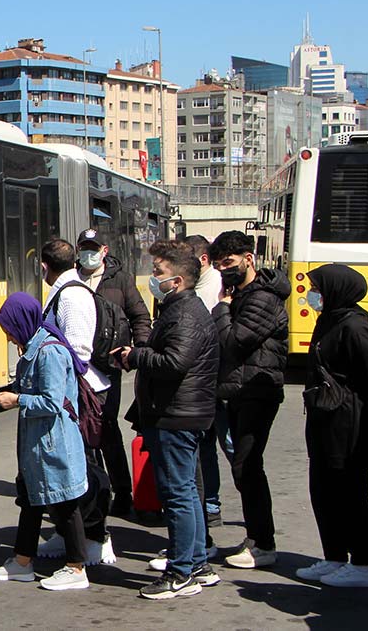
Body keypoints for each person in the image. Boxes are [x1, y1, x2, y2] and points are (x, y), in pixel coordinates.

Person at [115, 240, 220, 600]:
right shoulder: (179, 309)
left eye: (158, 271)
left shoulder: (185, 313)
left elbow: (174, 362)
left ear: (177, 281)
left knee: (177, 494)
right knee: (185, 491)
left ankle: (180, 572)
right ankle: (196, 563)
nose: (152, 277)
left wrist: (136, 356)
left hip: (176, 415)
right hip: (178, 413)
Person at [0, 292, 91, 591]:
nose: (8, 337)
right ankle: (22, 562)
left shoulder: (49, 352)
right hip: (38, 444)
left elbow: (52, 401)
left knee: (65, 503)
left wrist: (17, 399)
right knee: (31, 500)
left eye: (9, 330)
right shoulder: (34, 348)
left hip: (53, 442)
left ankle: (76, 567)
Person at [295, 264, 368, 588]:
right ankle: (333, 556)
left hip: (348, 424)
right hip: (324, 419)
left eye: (317, 288)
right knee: (323, 491)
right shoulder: (328, 320)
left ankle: (361, 564)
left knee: (351, 495)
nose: (312, 295)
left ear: (336, 290)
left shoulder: (355, 327)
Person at [208, 231, 289, 569]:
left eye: (228, 262)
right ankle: (257, 538)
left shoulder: (262, 298)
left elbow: (235, 342)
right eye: (218, 265)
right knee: (244, 466)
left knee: (247, 465)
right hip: (239, 390)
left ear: (248, 259)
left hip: (257, 391)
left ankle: (263, 543)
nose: (224, 270)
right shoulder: (241, 294)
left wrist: (222, 309)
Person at [38, 238, 115, 563]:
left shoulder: (71, 296)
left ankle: (95, 536)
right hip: (73, 394)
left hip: (81, 395)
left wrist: (59, 389)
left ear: (44, 266)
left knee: (86, 468)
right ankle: (67, 532)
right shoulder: (66, 291)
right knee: (67, 469)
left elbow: (78, 352)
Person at [75, 228, 151, 516]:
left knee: (106, 427)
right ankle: (93, 490)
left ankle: (121, 491)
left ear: (104, 251)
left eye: (93, 248)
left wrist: (138, 351)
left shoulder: (119, 280)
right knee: (83, 430)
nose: (88, 254)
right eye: (84, 248)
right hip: (80, 367)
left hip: (109, 366)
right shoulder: (72, 279)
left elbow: (140, 317)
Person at [183, 234, 230, 528]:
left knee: (232, 447)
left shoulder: (219, 286)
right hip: (200, 384)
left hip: (218, 383)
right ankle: (209, 505)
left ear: (202, 259)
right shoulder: (194, 285)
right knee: (205, 449)